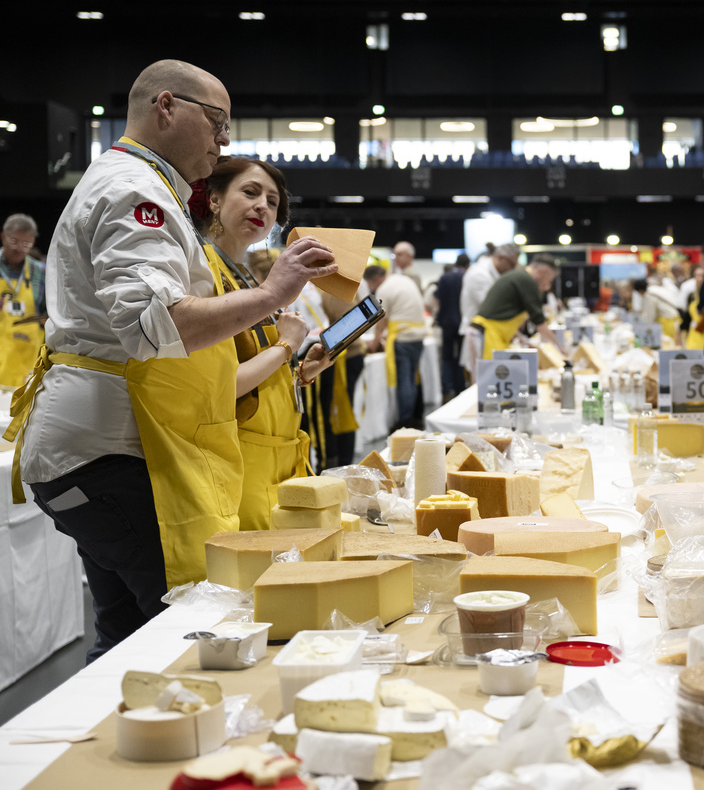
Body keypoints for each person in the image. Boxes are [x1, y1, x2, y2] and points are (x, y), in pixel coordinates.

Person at [4, 59, 335, 659]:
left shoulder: (140, 187)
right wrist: (270, 295)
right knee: (192, 631)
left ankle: (121, 741)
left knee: (128, 631)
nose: (224, 139)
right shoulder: (135, 190)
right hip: (107, 455)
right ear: (166, 107)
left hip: (99, 450)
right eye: (216, 121)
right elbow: (153, 326)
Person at [197, 157, 333, 529]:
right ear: (214, 200)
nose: (263, 206)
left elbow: (252, 372)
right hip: (240, 460)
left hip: (275, 458)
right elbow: (219, 386)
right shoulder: (201, 273)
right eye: (250, 192)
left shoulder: (244, 279)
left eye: (272, 202)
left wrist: (299, 371)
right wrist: (285, 347)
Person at [364, 264, 429, 431]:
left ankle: (405, 422)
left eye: (370, 284)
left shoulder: (384, 289)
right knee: (413, 377)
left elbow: (381, 320)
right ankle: (415, 417)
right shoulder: (402, 279)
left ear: (375, 279)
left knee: (404, 380)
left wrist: (375, 341)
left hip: (403, 338)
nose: (371, 288)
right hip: (418, 335)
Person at [471, 253, 562, 359]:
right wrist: (560, 350)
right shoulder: (527, 280)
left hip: (489, 334)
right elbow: (540, 323)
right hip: (487, 335)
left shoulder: (519, 276)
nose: (547, 286)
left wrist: (525, 340)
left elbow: (504, 317)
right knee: (489, 374)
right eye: (549, 280)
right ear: (543, 271)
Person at [0, 213, 47, 387]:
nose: (19, 248)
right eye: (14, 241)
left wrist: (47, 318)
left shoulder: (41, 272)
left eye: (26, 244)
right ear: (3, 237)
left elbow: (48, 313)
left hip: (26, 368)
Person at [460, 243, 518, 382]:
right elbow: (494, 308)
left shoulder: (489, 274)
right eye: (512, 264)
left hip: (489, 334)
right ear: (501, 258)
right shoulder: (479, 274)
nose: (512, 269)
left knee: (489, 380)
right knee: (480, 383)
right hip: (480, 334)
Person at [434, 253, 470, 398]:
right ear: (468, 265)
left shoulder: (445, 277)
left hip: (446, 322)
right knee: (461, 356)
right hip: (462, 322)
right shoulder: (467, 278)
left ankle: (446, 388)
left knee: (447, 356)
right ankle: (460, 386)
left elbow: (438, 299)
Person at [637, 277, 684, 345]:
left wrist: (643, 328)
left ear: (640, 290)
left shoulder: (649, 295)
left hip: (668, 321)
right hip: (674, 318)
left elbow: (650, 315)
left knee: (671, 344)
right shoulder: (655, 289)